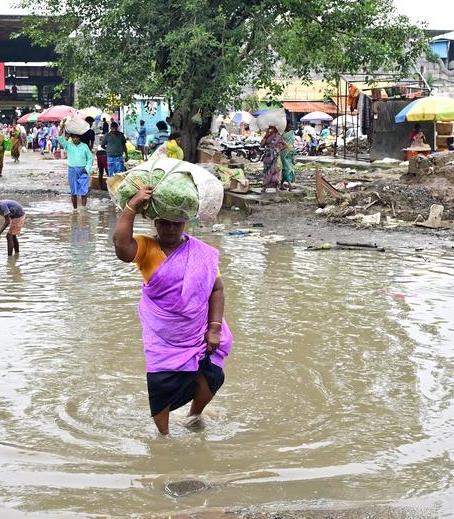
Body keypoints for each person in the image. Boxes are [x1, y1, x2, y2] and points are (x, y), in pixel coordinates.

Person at [111, 184, 232, 435]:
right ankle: (163, 438)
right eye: (164, 223)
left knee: (211, 377)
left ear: (185, 224)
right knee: (160, 385)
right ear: (155, 223)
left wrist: (215, 329)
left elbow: (216, 290)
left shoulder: (202, 254)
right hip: (163, 335)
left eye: (177, 224)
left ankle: (194, 415)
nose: (170, 229)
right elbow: (122, 247)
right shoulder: (146, 248)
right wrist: (132, 206)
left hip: (197, 330)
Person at [56, 120, 94, 209]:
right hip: (72, 170)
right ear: (71, 138)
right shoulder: (68, 145)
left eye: (77, 137)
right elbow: (59, 137)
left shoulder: (84, 146)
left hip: (83, 171)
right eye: (74, 137)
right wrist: (62, 127)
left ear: (79, 138)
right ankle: (75, 209)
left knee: (84, 191)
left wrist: (87, 168)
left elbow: (90, 158)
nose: (75, 139)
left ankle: (84, 209)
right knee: (73, 192)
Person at [259, 126, 286, 192]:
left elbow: (285, 145)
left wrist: (278, 149)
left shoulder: (278, 136)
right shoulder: (267, 136)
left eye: (272, 128)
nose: (270, 130)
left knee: (275, 170)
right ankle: (265, 186)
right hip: (267, 156)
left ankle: (276, 186)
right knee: (266, 171)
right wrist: (266, 136)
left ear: (275, 129)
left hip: (274, 156)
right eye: (269, 128)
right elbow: (261, 145)